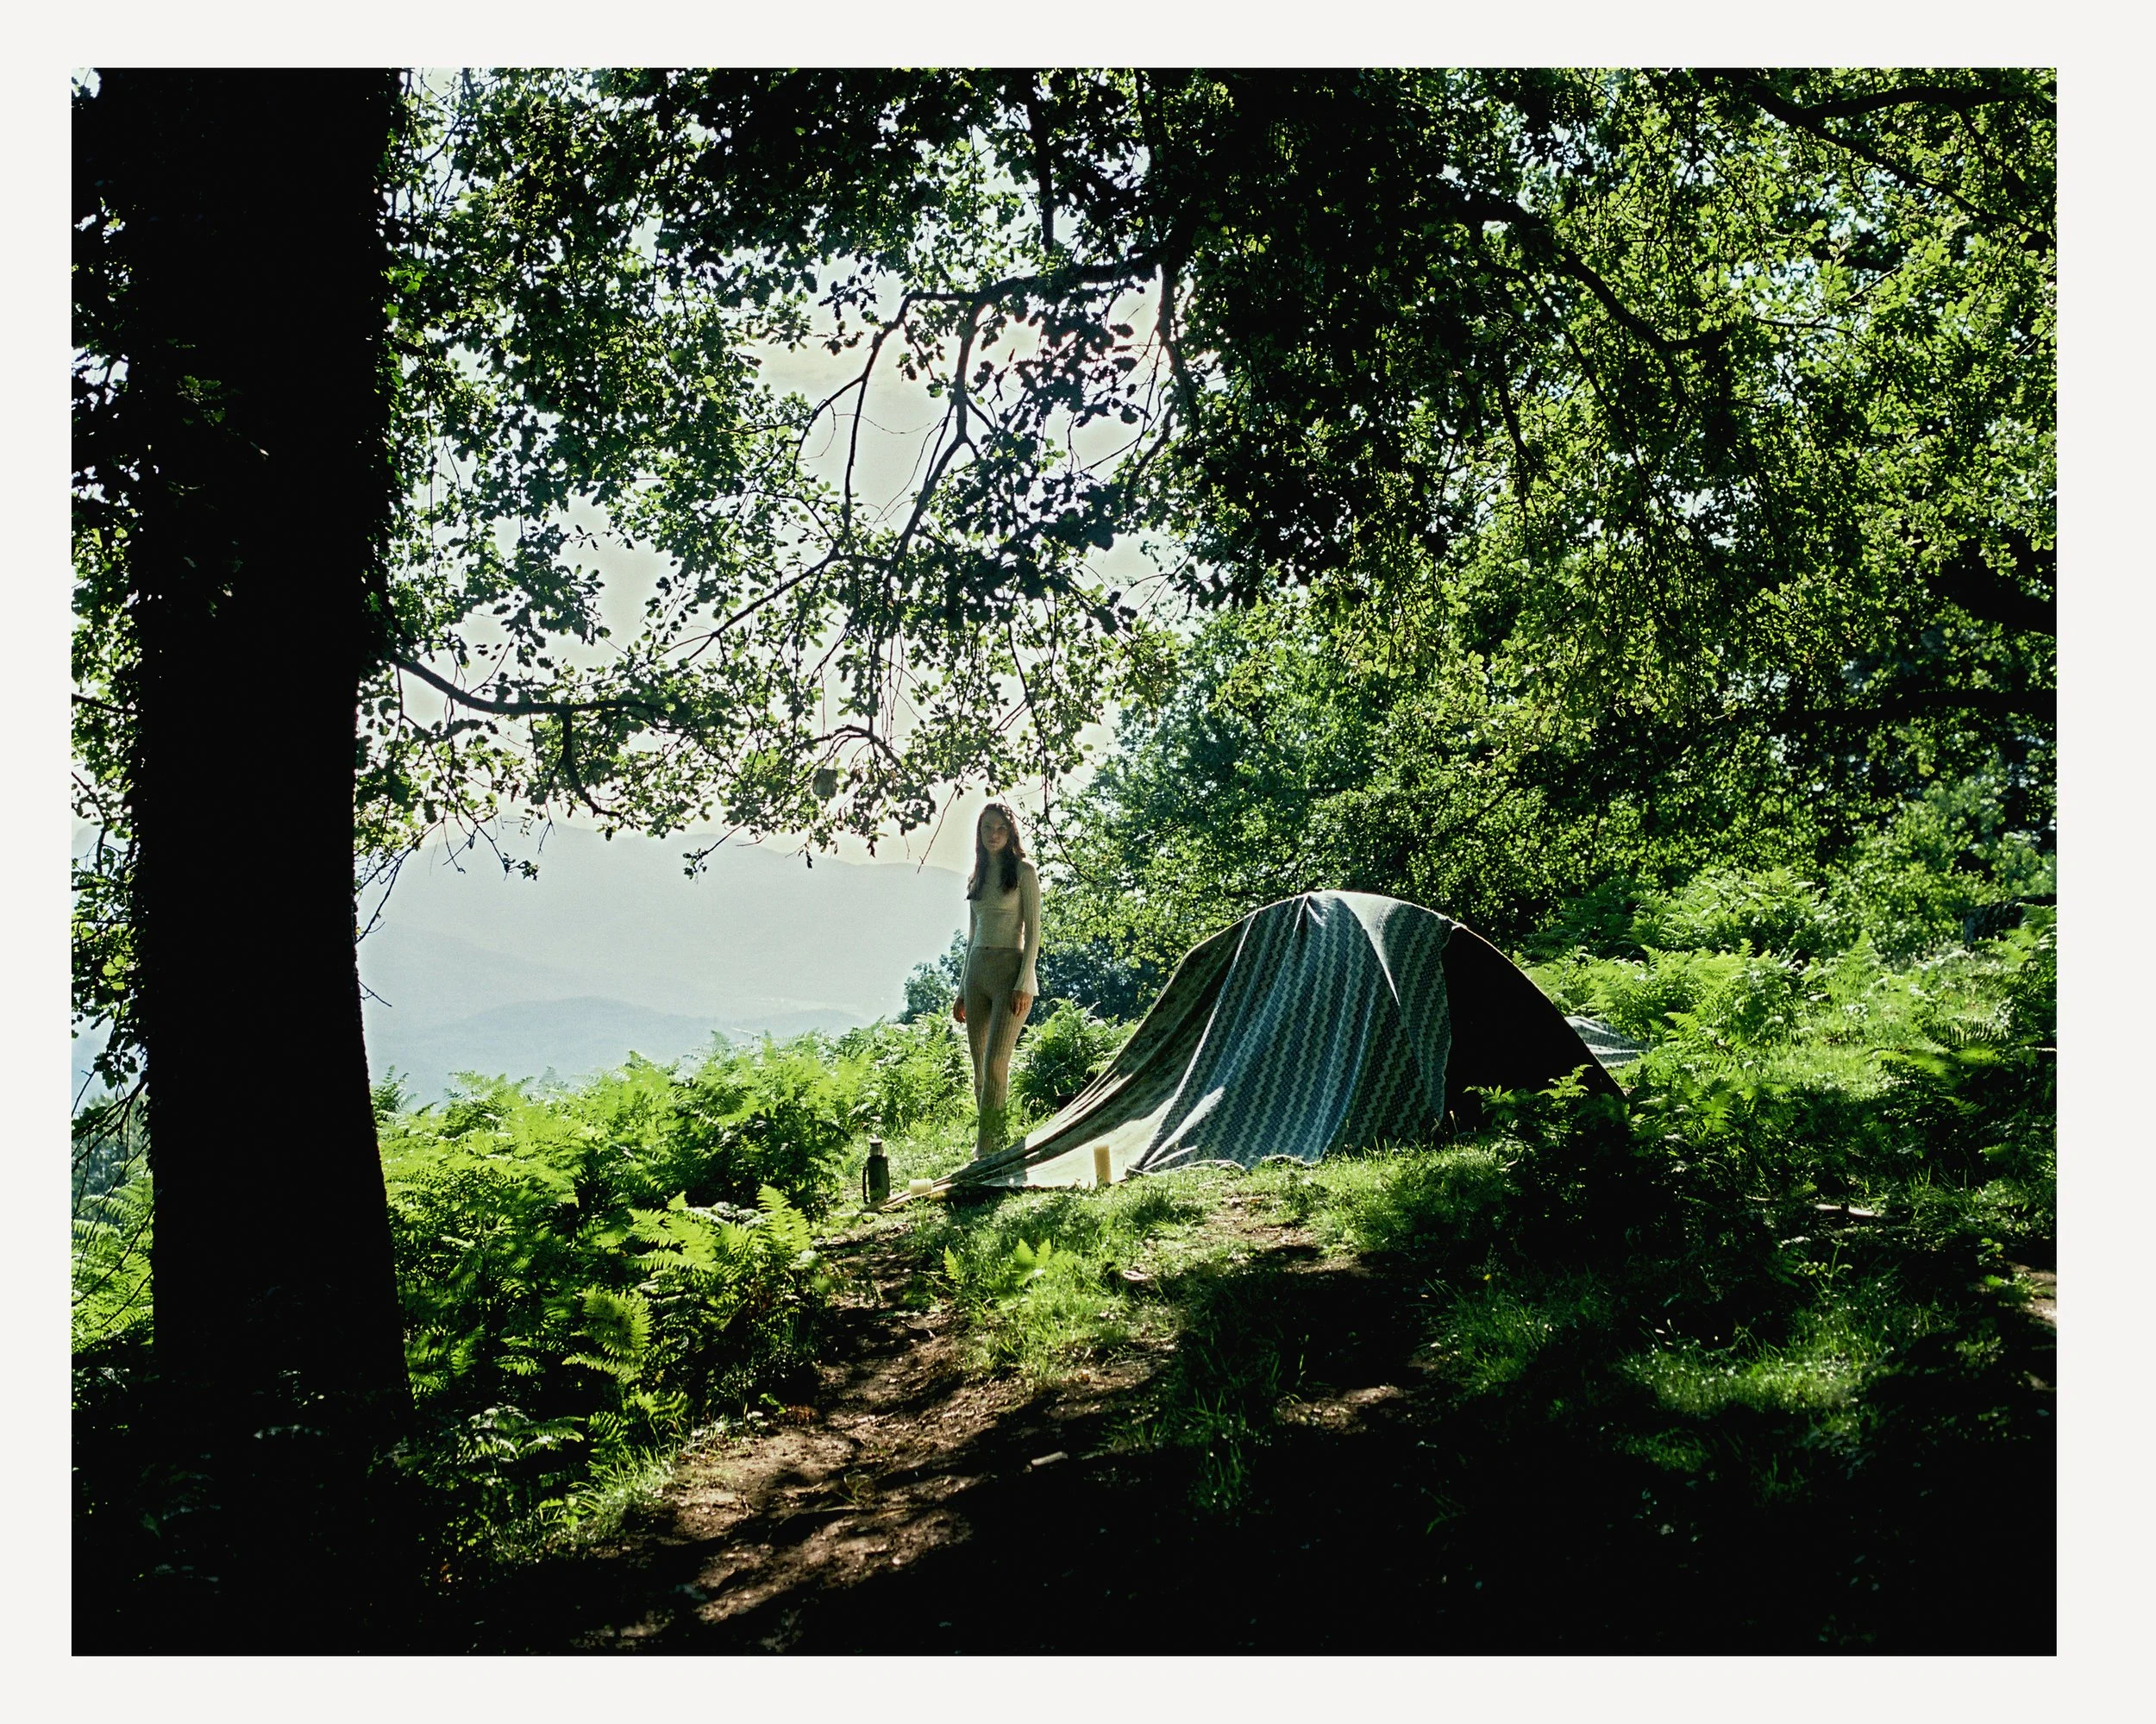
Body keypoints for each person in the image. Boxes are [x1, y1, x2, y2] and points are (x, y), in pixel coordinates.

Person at [951, 799, 1041, 1158]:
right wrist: (960, 991)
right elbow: (971, 937)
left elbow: (1034, 932)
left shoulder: (1023, 872)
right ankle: (993, 1142)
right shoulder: (977, 875)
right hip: (976, 975)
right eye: (987, 828)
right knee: (978, 1071)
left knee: (995, 1066)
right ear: (979, 832)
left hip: (1011, 975)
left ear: (1011, 832)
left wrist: (1025, 981)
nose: (994, 834)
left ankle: (986, 1155)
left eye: (1001, 828)